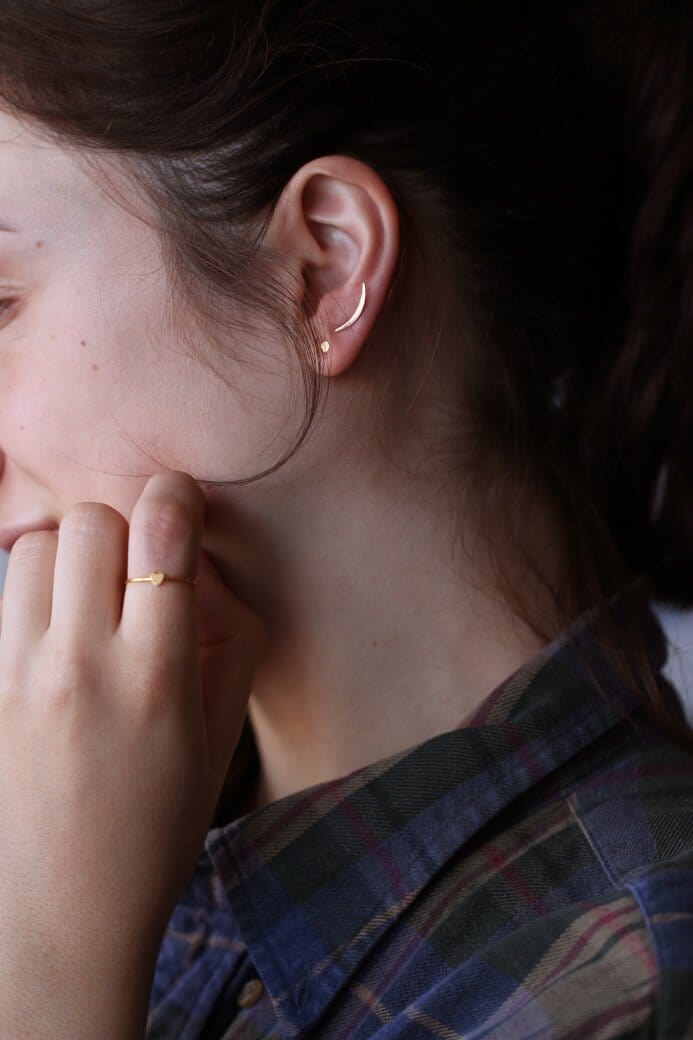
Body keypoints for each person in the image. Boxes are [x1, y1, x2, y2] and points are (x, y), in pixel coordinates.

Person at [0, 1, 690, 1037]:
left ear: (322, 268)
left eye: (0, 301)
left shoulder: (622, 988)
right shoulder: (91, 837)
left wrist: (48, 984)